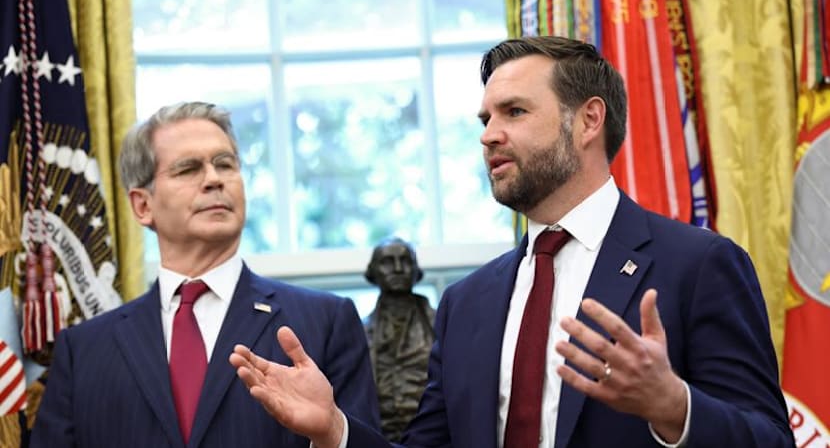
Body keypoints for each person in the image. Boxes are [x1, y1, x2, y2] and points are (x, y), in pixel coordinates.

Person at [229, 36, 795, 448]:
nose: (488, 135)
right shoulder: (467, 302)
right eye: (485, 119)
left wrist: (675, 407)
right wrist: (336, 430)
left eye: (514, 112)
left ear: (588, 121)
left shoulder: (697, 265)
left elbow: (770, 438)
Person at [30, 101, 380, 447]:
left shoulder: (326, 322)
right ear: (143, 205)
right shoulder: (83, 351)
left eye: (225, 164)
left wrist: (333, 434)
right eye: (188, 169)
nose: (214, 179)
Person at [363, 237, 435, 442]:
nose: (397, 269)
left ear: (416, 270)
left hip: (434, 438)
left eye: (405, 261)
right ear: (373, 271)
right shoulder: (359, 331)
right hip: (379, 438)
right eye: (387, 262)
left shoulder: (440, 323)